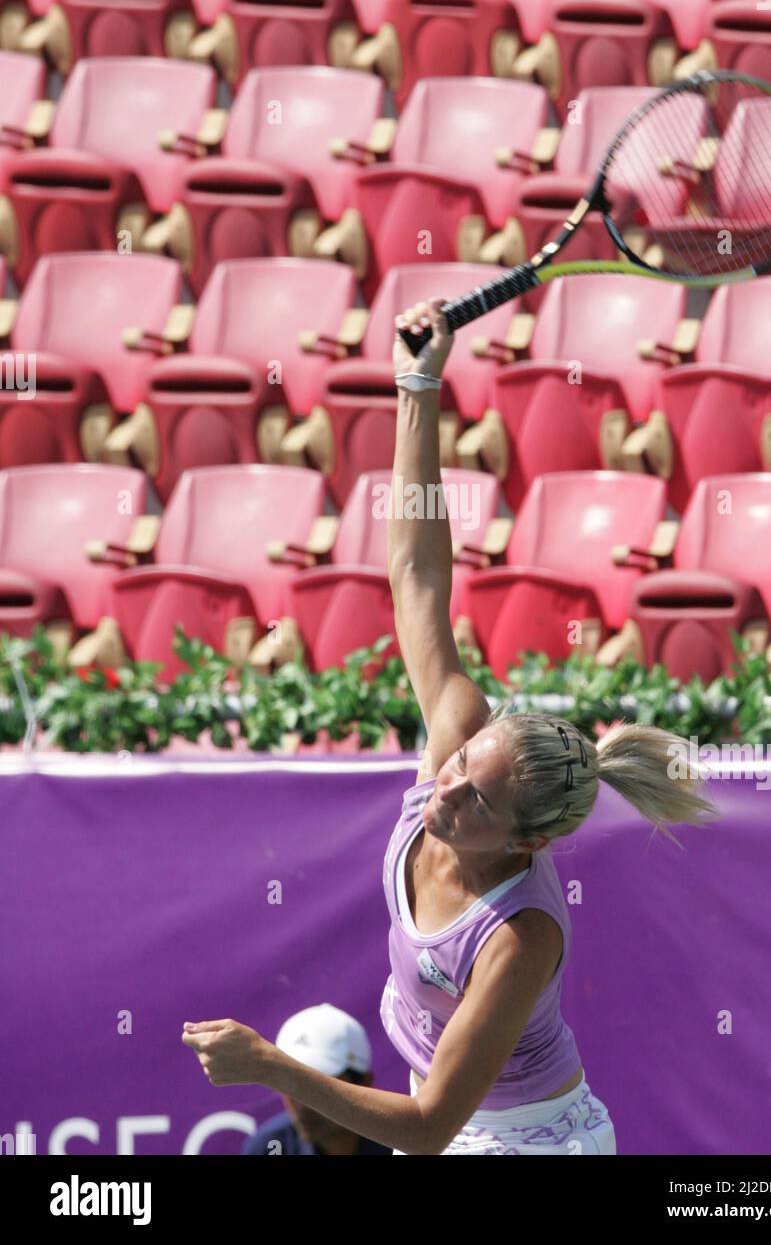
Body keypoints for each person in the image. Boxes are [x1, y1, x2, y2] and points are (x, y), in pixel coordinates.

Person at [182, 298, 720, 1156]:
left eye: (476, 800)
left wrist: (272, 1068)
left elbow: (432, 1128)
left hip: (530, 1144)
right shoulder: (453, 750)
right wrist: (420, 384)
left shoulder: (521, 932)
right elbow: (419, 577)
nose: (449, 791)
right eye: (463, 761)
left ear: (527, 842)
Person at [241, 1005, 391, 1156]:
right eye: (289, 1083)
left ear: (364, 1083)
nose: (303, 1104)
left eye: (318, 1085)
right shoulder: (267, 1147)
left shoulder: (406, 1145)